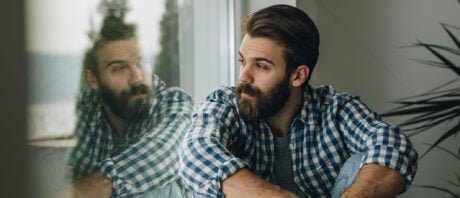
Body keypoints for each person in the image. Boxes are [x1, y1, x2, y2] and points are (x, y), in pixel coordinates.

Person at [180, 4, 418, 198]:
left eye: (261, 66)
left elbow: (395, 147)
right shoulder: (226, 104)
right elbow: (195, 152)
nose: (244, 76)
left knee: (366, 162)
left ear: (298, 75)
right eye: (243, 61)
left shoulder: (336, 109)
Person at [67, 10, 194, 198]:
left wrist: (88, 189)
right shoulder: (88, 109)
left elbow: (157, 160)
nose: (137, 77)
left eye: (140, 62)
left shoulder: (175, 104)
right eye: (118, 68)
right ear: (92, 79)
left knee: (154, 188)